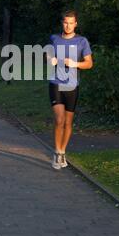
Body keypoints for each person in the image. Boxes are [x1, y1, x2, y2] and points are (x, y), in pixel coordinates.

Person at [47, 10, 93, 170]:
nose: (68, 25)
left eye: (71, 22)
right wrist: (49, 59)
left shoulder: (82, 41)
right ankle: (56, 152)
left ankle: (63, 151)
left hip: (72, 85)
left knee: (68, 122)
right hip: (56, 83)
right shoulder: (54, 39)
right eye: (65, 22)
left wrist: (75, 64)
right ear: (62, 22)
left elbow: (89, 63)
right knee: (59, 119)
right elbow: (46, 55)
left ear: (76, 24)